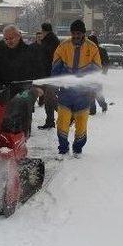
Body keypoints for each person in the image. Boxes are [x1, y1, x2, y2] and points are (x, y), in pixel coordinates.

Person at [52, 20, 102, 157]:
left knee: (81, 123)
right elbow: (55, 69)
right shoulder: (63, 46)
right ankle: (63, 148)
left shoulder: (92, 48)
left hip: (83, 94)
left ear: (83, 33)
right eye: (73, 33)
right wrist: (56, 87)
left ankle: (78, 148)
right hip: (66, 93)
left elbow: (96, 72)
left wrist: (93, 90)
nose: (75, 36)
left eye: (78, 33)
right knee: (62, 121)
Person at [0, 25, 40, 91]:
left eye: (11, 38)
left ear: (18, 36)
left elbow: (38, 70)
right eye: (6, 39)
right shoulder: (1, 52)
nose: (8, 41)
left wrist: (37, 87)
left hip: (25, 92)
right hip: (5, 92)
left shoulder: (29, 51)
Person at [37, 23, 60, 129]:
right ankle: (50, 121)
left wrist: (41, 44)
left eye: (42, 31)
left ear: (45, 31)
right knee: (48, 99)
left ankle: (66, 116)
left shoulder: (50, 41)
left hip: (51, 74)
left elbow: (47, 56)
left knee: (50, 98)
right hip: (49, 73)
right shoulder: (52, 40)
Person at [87, 34, 108, 115]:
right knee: (91, 92)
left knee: (96, 92)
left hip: (98, 74)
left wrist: (103, 73)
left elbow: (105, 63)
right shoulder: (88, 50)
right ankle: (95, 108)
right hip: (89, 74)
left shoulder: (100, 50)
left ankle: (100, 106)